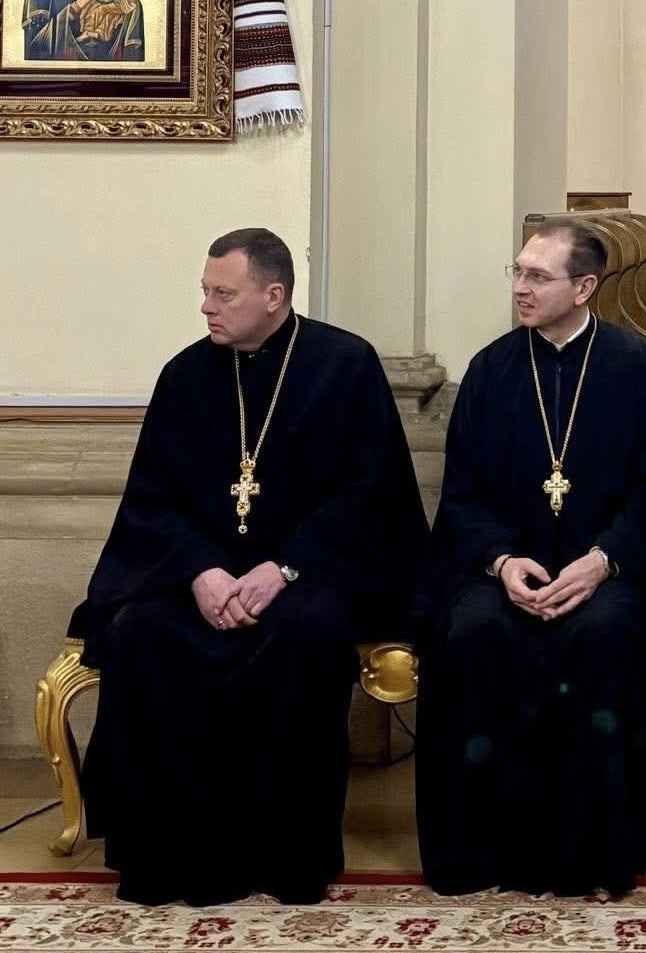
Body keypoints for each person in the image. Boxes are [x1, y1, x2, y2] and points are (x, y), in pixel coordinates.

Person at [70, 228, 428, 906]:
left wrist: (285, 567)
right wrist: (200, 570)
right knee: (141, 633)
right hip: (199, 575)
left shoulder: (344, 366)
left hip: (309, 574)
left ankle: (284, 855)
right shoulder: (184, 375)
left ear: (274, 295)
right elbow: (153, 498)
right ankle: (164, 854)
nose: (207, 306)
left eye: (223, 294)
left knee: (305, 635)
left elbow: (368, 494)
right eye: (205, 291)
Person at [414, 217, 646, 900]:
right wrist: (502, 562)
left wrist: (600, 561)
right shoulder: (491, 370)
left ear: (584, 287)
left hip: (605, 568)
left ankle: (592, 856)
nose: (520, 288)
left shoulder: (635, 365)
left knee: (604, 632)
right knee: (472, 631)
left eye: (538, 276)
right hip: (507, 568)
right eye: (518, 272)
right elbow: (463, 492)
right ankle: (480, 853)